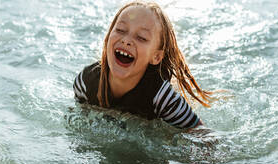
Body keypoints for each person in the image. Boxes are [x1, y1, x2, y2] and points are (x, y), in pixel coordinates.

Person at [73, 0, 213, 129]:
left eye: (141, 38)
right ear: (108, 36)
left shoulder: (162, 97)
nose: (126, 40)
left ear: (156, 56)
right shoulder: (85, 82)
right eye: (121, 30)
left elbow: (200, 133)